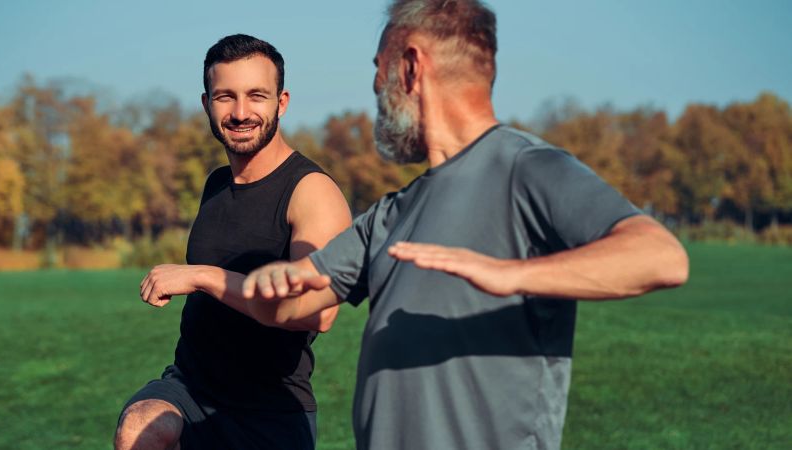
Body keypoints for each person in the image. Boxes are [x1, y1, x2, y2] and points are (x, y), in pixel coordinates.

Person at [238, 1, 690, 449]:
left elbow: (661, 257)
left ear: (411, 66)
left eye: (379, 68)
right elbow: (295, 305)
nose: (376, 86)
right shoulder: (393, 211)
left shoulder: (526, 167)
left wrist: (510, 274)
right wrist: (257, 279)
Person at [114, 34, 351, 450]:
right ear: (207, 104)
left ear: (282, 102)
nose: (241, 113)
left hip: (271, 412)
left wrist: (205, 277)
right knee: (140, 429)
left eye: (256, 96)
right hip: (191, 390)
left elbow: (320, 313)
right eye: (226, 97)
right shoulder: (217, 183)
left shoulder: (312, 192)